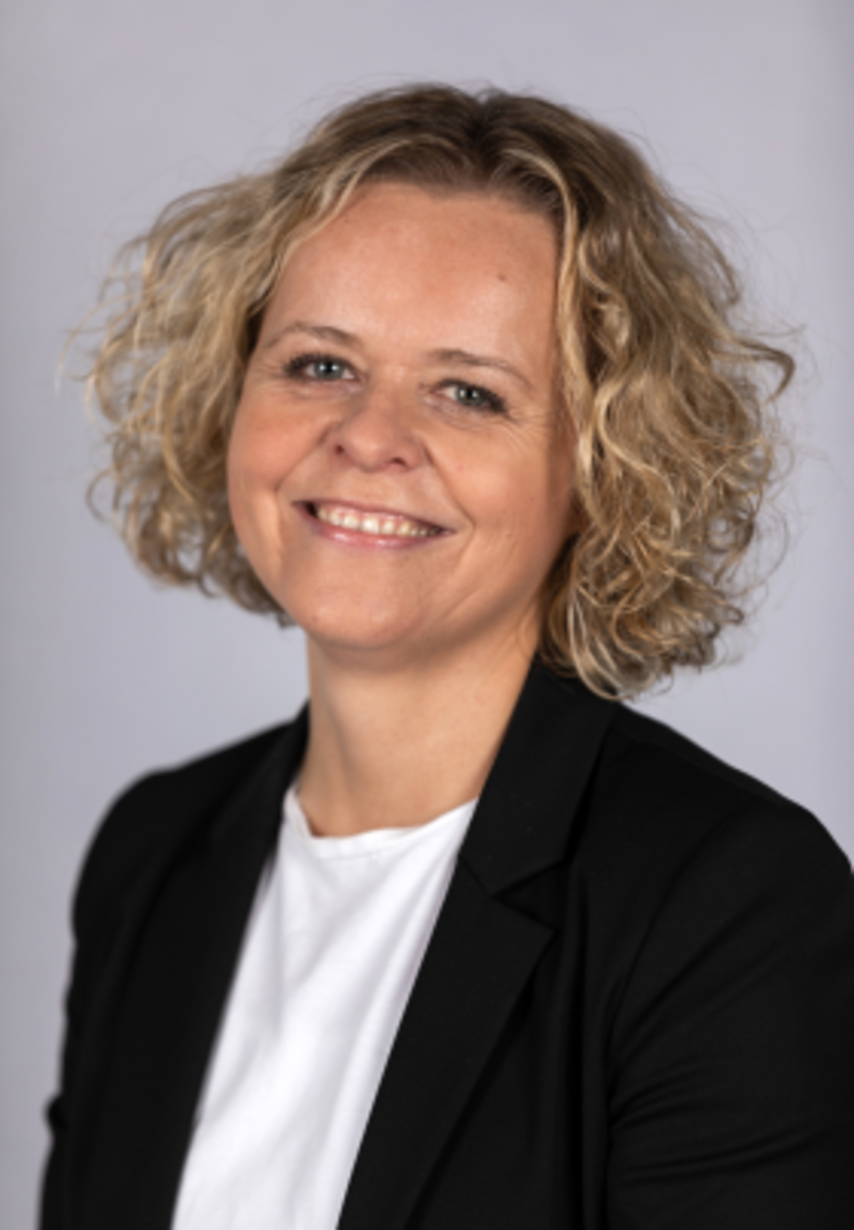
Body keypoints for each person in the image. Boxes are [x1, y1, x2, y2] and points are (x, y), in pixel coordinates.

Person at [40, 85, 854, 1230]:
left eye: (467, 392)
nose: (368, 437)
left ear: (603, 469)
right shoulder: (151, 857)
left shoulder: (724, 907)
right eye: (319, 364)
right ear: (230, 394)